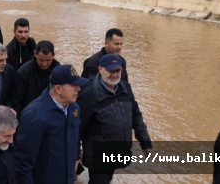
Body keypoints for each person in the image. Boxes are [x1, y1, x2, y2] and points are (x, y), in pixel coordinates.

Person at [77, 54, 152, 184]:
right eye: (110, 71)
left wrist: (145, 142)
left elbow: (136, 116)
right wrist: (75, 155)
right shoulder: (88, 94)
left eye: (117, 71)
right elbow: (78, 128)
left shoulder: (126, 88)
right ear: (100, 69)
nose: (114, 75)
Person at [15, 64, 88, 184]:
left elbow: (74, 138)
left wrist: (75, 158)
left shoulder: (73, 108)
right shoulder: (34, 116)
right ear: (58, 89)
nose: (78, 89)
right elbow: (23, 162)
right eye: (73, 86)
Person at [10, 40, 60, 115]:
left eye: (48, 60)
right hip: (30, 114)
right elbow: (17, 102)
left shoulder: (58, 70)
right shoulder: (23, 73)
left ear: (53, 55)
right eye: (41, 60)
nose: (44, 64)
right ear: (35, 54)